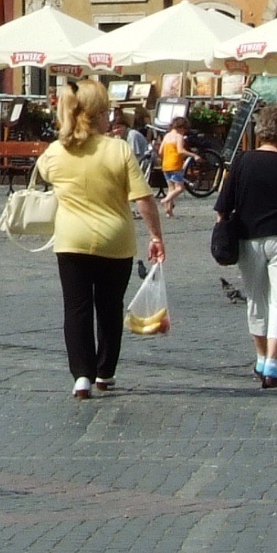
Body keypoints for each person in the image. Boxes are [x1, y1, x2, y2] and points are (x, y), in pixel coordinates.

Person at [33, 78, 167, 399]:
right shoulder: (119, 149)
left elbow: (44, 173)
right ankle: (105, 372)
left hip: (71, 240)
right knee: (109, 308)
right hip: (115, 240)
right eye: (108, 111)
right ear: (97, 114)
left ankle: (81, 376)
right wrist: (156, 236)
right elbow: (144, 199)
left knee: (76, 307)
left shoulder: (56, 152)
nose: (111, 117)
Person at [215, 104, 277, 389]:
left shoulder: (242, 162)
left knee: (256, 300)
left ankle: (261, 358)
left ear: (260, 132)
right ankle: (271, 362)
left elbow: (223, 208)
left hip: (248, 240)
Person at [156, 113, 191, 218]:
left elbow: (160, 151)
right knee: (180, 188)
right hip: (175, 165)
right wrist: (193, 155)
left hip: (165, 165)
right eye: (184, 129)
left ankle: (168, 211)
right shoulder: (179, 136)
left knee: (171, 189)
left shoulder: (166, 136)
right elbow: (180, 151)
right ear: (181, 128)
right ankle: (165, 200)